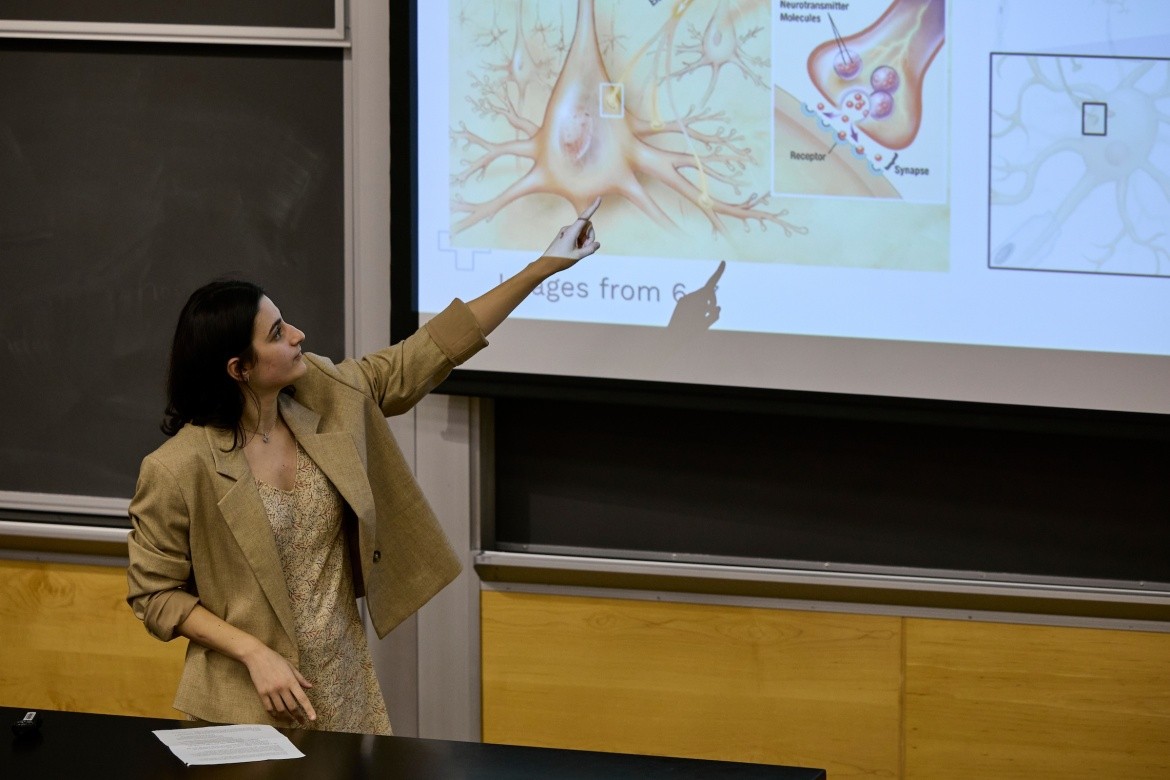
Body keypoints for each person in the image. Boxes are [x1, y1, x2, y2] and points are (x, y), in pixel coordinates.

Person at [127, 199, 601, 734]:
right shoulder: (176, 468)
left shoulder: (323, 393)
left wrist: (543, 266)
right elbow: (155, 596)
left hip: (344, 686)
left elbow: (425, 353)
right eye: (277, 333)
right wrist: (254, 653)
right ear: (239, 369)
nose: (297, 334)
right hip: (245, 703)